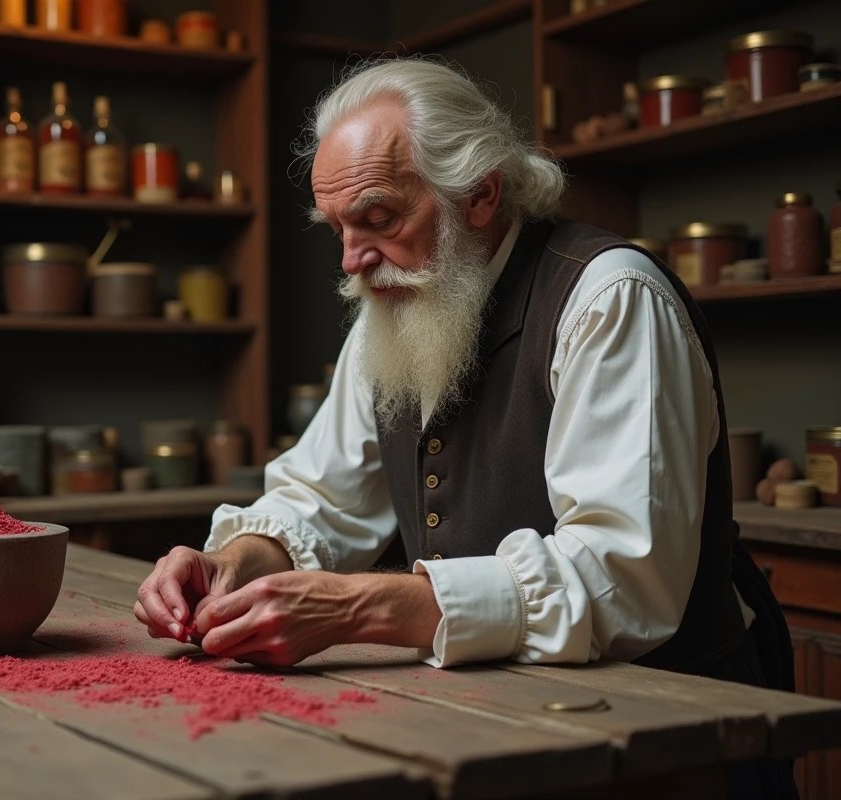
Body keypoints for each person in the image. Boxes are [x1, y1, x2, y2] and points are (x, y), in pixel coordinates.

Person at [134, 58, 796, 797]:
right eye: (339, 229)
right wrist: (240, 561)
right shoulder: (389, 307)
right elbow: (319, 498)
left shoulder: (612, 299)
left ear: (480, 194)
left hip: (672, 741)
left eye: (380, 219)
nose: (353, 261)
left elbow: (625, 579)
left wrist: (361, 606)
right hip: (496, 725)